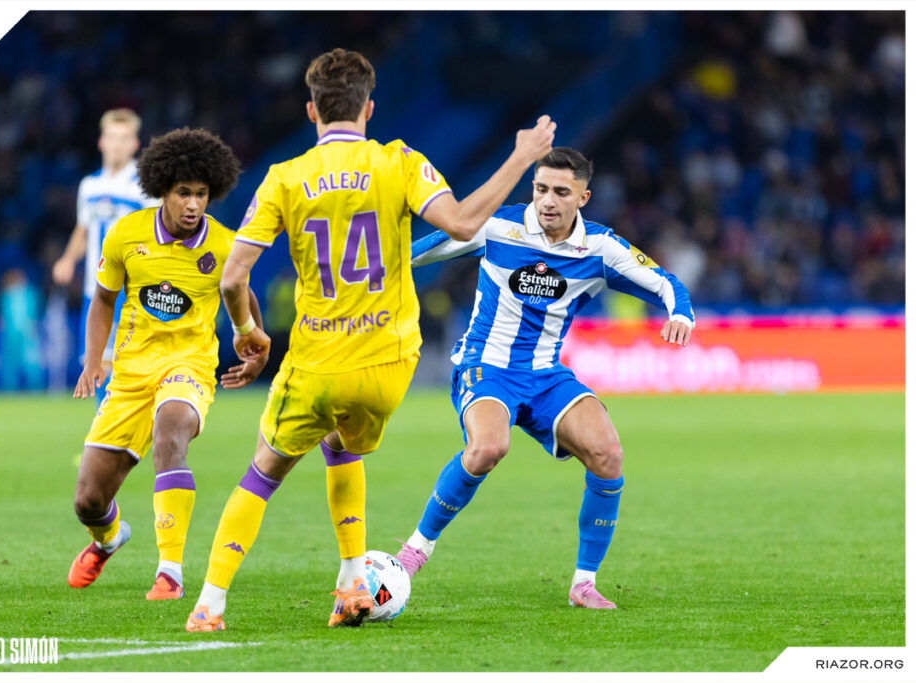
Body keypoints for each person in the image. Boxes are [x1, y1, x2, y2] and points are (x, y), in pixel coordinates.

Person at [185, 47, 555, 632]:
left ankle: (209, 604)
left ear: (311, 111)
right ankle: (354, 583)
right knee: (343, 447)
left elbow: (232, 278)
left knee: (263, 473)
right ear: (369, 109)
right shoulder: (399, 162)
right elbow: (463, 224)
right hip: (387, 366)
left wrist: (247, 333)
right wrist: (521, 156)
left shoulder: (285, 178)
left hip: (316, 363)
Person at [394, 147, 695, 609]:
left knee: (608, 454)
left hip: (545, 375)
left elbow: (663, 282)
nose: (548, 201)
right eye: (540, 189)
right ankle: (415, 551)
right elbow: (415, 254)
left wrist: (680, 314)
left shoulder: (600, 247)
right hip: (486, 365)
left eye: (561, 192)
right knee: (488, 448)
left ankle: (584, 584)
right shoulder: (498, 226)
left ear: (583, 197)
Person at [67, 127, 267, 602]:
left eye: (201, 194)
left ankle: (170, 572)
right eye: (183, 193)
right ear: (162, 190)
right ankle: (109, 538)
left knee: (172, 429)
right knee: (89, 500)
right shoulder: (126, 235)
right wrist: (94, 361)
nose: (193, 204)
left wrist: (254, 348)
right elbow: (102, 299)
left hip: (189, 366)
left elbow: (242, 294)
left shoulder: (224, 245)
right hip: (131, 372)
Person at [52, 108, 158, 403]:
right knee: (95, 364)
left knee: (123, 367)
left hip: (129, 290)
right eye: (112, 137)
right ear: (101, 142)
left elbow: (155, 233)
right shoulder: (90, 185)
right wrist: (68, 259)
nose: (117, 145)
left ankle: (120, 429)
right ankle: (105, 429)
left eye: (124, 138)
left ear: (135, 144)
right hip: (94, 289)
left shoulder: (145, 185)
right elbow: (83, 230)